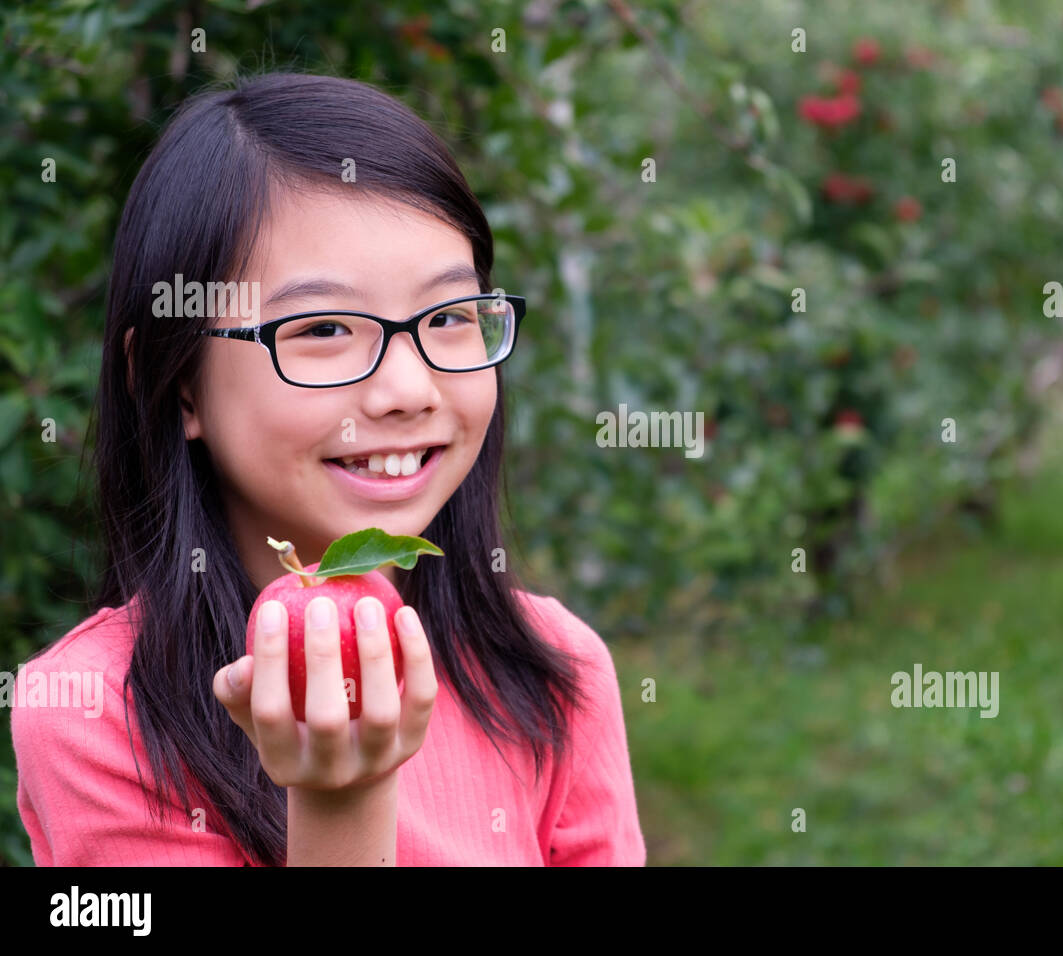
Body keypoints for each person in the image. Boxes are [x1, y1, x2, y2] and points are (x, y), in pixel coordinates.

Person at [10, 71, 646, 866]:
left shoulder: (553, 669)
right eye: (322, 329)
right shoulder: (95, 713)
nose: (409, 390)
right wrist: (339, 803)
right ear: (173, 383)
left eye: (448, 317)